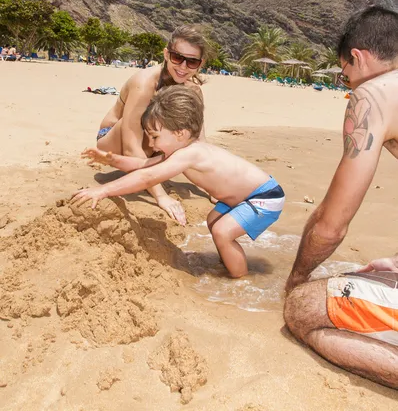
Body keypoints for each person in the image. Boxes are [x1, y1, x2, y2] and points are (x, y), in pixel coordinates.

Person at [284, 5, 398, 389]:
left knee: (303, 308)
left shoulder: (374, 95)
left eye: (344, 72)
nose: (346, 82)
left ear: (358, 57)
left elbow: (332, 226)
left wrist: (297, 278)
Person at [72, 86, 285, 278]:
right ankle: (229, 260)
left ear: (180, 133)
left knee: (222, 232)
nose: (152, 144)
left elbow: (148, 176)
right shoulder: (181, 150)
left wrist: (104, 191)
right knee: (213, 222)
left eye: (155, 137)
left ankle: (240, 280)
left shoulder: (191, 154)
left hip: (263, 197)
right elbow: (144, 165)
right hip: (243, 197)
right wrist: (111, 159)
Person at [95, 25, 207, 224]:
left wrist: (210, 187)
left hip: (151, 141)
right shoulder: (145, 83)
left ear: (200, 64)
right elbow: (130, 146)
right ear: (166, 54)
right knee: (146, 123)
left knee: (186, 133)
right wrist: (161, 196)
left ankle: (150, 161)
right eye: (177, 58)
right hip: (113, 138)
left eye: (191, 62)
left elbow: (199, 143)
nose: (182, 67)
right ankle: (149, 170)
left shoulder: (193, 91)